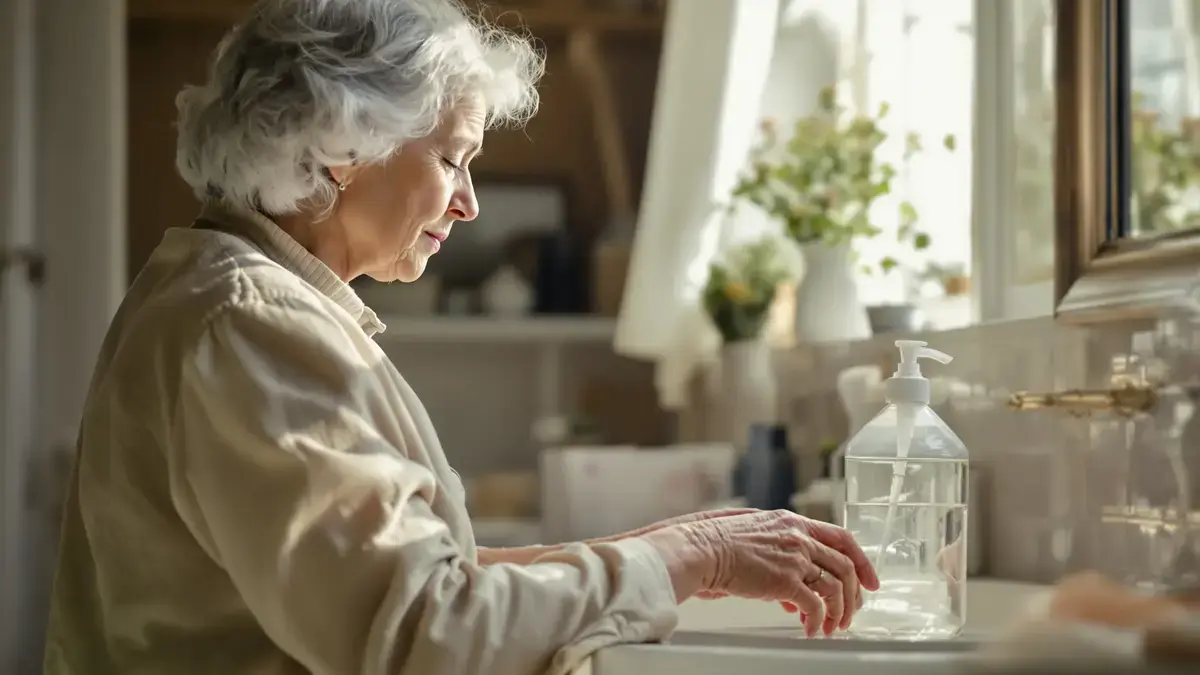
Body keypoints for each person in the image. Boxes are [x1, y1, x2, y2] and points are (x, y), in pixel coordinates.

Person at [42, 1, 878, 673]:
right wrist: (688, 555)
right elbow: (423, 636)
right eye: (453, 158)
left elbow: (422, 587)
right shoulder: (249, 322)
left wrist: (670, 552)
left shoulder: (238, 298)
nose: (469, 201)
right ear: (345, 145)